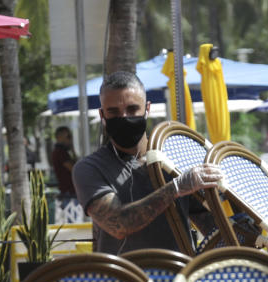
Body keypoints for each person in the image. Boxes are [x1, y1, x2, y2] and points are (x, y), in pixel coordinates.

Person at [72, 70, 223, 255]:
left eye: (132, 109)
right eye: (113, 112)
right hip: (124, 279)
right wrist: (175, 188)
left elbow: (207, 222)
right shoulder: (90, 168)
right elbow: (119, 224)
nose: (124, 117)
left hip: (178, 276)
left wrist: (239, 227)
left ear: (147, 108)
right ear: (102, 115)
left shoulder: (174, 160)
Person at [51, 126, 77, 203]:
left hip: (69, 190)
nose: (70, 139)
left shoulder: (62, 151)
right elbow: (74, 168)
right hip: (68, 191)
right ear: (60, 137)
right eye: (68, 136)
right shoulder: (60, 151)